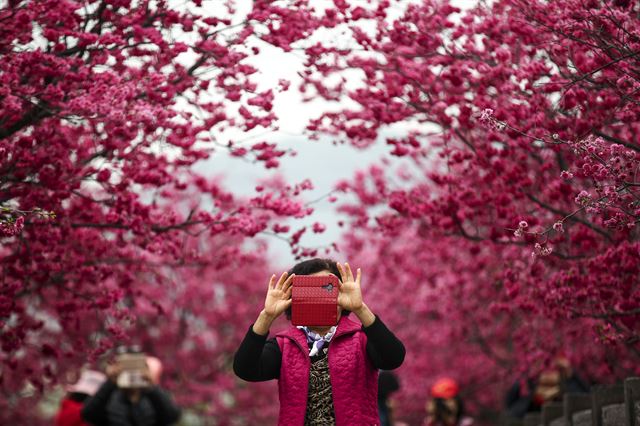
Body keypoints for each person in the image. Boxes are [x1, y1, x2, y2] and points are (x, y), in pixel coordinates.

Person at [233, 258, 406, 425]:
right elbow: (245, 369)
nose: (319, 299)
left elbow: (393, 357)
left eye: (327, 288)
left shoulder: (361, 339)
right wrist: (267, 316)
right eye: (309, 291)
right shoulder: (284, 345)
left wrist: (360, 309)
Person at [81, 354, 181, 426]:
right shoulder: (111, 398)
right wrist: (110, 383)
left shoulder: (152, 398)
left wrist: (151, 387)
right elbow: (88, 414)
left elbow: (172, 416)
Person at [505, 356, 589, 419]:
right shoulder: (527, 387)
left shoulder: (568, 382)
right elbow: (512, 410)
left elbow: (585, 401)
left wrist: (570, 377)